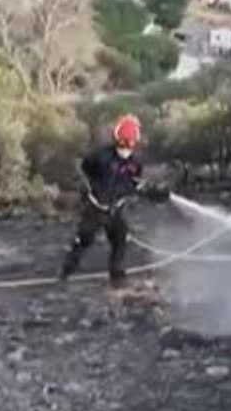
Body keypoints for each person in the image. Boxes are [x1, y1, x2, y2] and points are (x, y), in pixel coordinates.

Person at [59, 115, 170, 289]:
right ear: (117, 139)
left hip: (115, 209)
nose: (126, 147)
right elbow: (84, 169)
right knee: (84, 239)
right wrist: (84, 187)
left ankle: (117, 277)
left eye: (130, 143)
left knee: (120, 239)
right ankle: (66, 272)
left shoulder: (135, 164)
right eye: (124, 142)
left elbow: (134, 185)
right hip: (95, 207)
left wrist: (156, 193)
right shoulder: (100, 156)